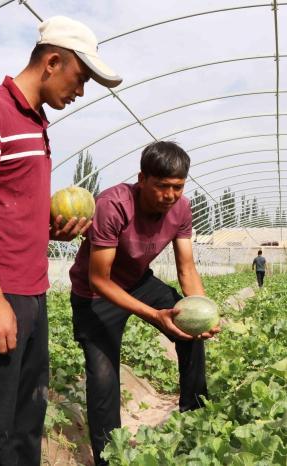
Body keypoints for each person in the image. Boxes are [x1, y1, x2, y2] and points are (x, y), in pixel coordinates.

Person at [0, 16, 121, 465]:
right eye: (80, 79)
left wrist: (50, 227)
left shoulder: (36, 123)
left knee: (26, 421)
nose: (80, 92)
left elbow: (9, 207)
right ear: (53, 61)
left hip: (30, 291)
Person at [68, 141, 220, 465]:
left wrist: (203, 310)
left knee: (190, 331)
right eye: (161, 186)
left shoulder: (181, 209)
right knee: (103, 376)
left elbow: (187, 268)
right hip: (96, 294)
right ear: (142, 179)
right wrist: (153, 314)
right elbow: (99, 278)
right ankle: (111, 457)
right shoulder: (113, 205)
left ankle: (194, 420)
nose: (169, 195)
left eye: (177, 187)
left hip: (138, 281)